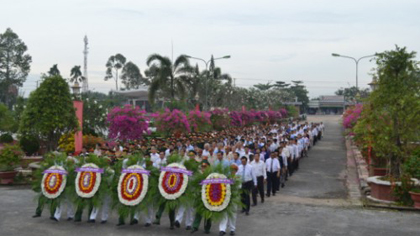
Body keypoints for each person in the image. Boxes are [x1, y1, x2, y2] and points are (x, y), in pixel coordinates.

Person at [219, 164, 239, 236]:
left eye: (233, 170)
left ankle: (232, 229)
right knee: (224, 213)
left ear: (236, 171)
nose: (232, 171)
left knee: (233, 214)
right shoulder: (226, 178)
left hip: (234, 197)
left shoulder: (238, 178)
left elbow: (239, 187)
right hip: (226, 197)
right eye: (231, 170)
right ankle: (222, 229)